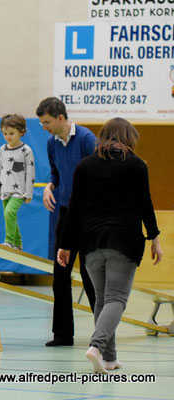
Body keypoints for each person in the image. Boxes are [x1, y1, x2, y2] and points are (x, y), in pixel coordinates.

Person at [57, 117, 163, 373]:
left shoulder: (85, 166)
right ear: (128, 138)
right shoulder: (136, 166)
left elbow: (74, 208)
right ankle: (96, 346)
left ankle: (109, 358)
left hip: (90, 241)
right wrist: (155, 239)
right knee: (116, 299)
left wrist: (65, 244)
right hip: (123, 241)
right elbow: (144, 205)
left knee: (103, 302)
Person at [36, 97, 97, 347]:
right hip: (64, 215)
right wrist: (50, 186)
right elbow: (55, 172)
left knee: (90, 274)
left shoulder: (86, 139)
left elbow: (98, 173)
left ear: (61, 118)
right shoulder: (52, 143)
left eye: (47, 122)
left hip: (89, 216)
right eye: (41, 123)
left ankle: (103, 335)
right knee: (60, 275)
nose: (44, 127)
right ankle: (62, 334)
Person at [0, 114, 35, 250]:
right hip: (5, 189)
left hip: (19, 191)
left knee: (9, 213)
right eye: (5, 133)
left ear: (21, 132)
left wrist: (28, 193)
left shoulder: (26, 151)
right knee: (9, 216)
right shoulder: (2, 149)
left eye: (11, 133)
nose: (8, 136)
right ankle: (17, 243)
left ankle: (9, 241)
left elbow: (30, 173)